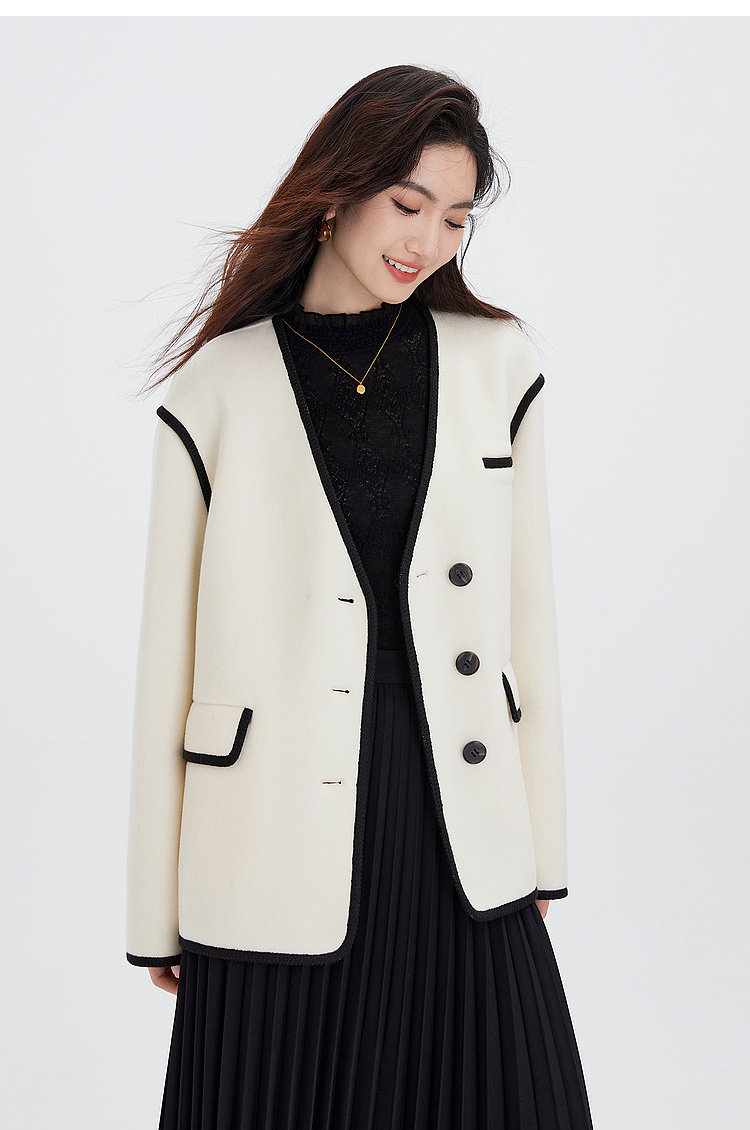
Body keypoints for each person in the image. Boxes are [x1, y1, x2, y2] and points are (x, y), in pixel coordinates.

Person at [125, 63, 595, 1130]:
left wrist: (542, 849)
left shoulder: (495, 362)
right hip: (269, 821)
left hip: (456, 803)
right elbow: (167, 665)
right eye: (408, 203)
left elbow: (530, 621)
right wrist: (156, 912)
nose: (428, 240)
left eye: (456, 219)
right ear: (338, 192)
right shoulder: (219, 385)